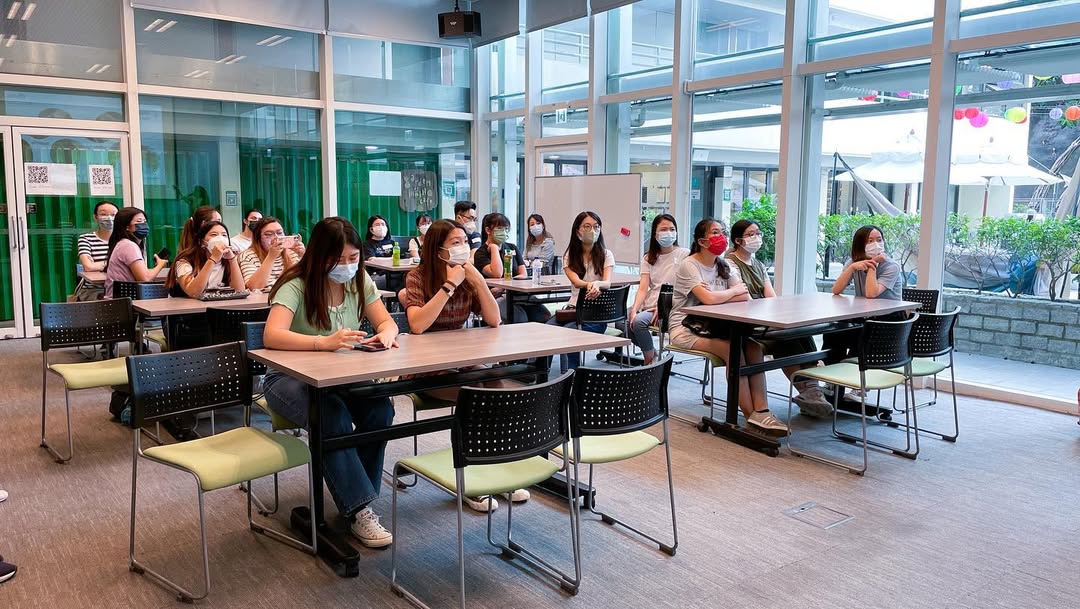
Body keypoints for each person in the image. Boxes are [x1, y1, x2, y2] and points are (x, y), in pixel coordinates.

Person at [262, 217, 399, 548]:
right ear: (319, 255)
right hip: (288, 379)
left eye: (353, 258)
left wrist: (385, 334)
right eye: (338, 260)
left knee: (380, 410)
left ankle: (358, 497)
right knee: (330, 414)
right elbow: (271, 335)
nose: (347, 266)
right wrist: (321, 342)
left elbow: (387, 322)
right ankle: (360, 508)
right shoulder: (296, 284)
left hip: (339, 376)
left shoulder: (358, 280)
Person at [403, 219, 528, 513]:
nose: (463, 248)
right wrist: (449, 285)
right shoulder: (417, 277)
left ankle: (497, 471)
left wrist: (479, 282)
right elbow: (418, 325)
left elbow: (494, 320)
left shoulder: (467, 275)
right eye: (455, 243)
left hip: (461, 359)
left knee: (495, 384)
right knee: (474, 398)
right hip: (425, 366)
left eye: (465, 242)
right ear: (438, 250)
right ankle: (471, 482)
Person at [667, 218, 787, 434]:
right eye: (715, 232)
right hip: (685, 329)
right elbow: (710, 299)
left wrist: (719, 296)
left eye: (722, 231)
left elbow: (745, 297)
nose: (721, 236)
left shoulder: (725, 264)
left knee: (754, 348)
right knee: (732, 350)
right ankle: (751, 416)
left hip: (718, 327)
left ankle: (762, 410)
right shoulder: (690, 265)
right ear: (702, 241)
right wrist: (730, 293)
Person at [725, 220, 832, 417]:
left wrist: (773, 311)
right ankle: (809, 390)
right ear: (738, 240)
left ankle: (812, 389)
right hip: (746, 323)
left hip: (764, 317)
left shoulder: (758, 264)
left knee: (800, 330)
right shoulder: (730, 263)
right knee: (784, 338)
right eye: (751, 234)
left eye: (758, 233)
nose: (757, 237)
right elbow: (744, 297)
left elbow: (771, 296)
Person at [824, 225, 905, 364]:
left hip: (888, 321)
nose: (876, 244)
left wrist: (873, 264)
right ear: (860, 245)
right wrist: (852, 268)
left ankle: (851, 370)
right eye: (870, 241)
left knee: (857, 341)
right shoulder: (853, 262)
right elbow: (836, 290)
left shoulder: (891, 266)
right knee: (833, 332)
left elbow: (871, 294)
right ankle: (834, 374)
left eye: (879, 240)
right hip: (865, 317)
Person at [546, 211, 615, 373]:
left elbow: (607, 283)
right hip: (573, 311)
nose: (592, 230)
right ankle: (539, 371)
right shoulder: (569, 255)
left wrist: (597, 284)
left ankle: (572, 373)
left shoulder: (606, 254)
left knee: (569, 330)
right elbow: (576, 282)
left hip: (596, 316)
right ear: (578, 232)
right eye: (587, 226)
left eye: (596, 227)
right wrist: (591, 285)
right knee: (547, 328)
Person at [624, 214, 689, 365]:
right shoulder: (648, 258)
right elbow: (643, 288)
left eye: (672, 229)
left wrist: (664, 306)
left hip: (672, 306)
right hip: (651, 304)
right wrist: (634, 309)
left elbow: (686, 287)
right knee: (624, 320)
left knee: (638, 322)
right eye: (664, 229)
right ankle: (652, 352)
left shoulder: (684, 254)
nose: (669, 233)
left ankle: (649, 360)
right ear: (655, 234)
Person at [473, 213, 549, 323]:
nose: (503, 232)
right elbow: (497, 273)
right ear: (488, 230)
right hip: (494, 298)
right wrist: (494, 248)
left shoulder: (512, 247)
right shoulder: (480, 253)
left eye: (505, 229)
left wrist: (504, 288)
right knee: (520, 318)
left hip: (516, 294)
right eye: (500, 228)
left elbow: (523, 274)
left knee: (543, 315)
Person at [166, 221, 246, 298]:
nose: (220, 238)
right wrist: (213, 259)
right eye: (214, 235)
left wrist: (232, 259)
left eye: (224, 235)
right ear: (202, 242)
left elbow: (239, 291)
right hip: (187, 306)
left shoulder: (228, 261)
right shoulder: (185, 261)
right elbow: (193, 292)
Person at [104, 208, 168, 299]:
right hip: (123, 302)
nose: (144, 225)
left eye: (145, 221)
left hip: (121, 299)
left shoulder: (124, 243)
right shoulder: (129, 245)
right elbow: (145, 278)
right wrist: (160, 265)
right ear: (126, 226)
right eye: (139, 221)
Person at [238, 216, 303, 291]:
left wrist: (303, 257)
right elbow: (254, 287)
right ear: (259, 239)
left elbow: (303, 281)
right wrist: (271, 257)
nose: (276, 237)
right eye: (268, 234)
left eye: (279, 233)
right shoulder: (248, 256)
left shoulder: (292, 253)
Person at [78, 201, 118, 272]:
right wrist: (119, 264)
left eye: (113, 215)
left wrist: (97, 265)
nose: (109, 218)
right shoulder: (86, 239)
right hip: (95, 279)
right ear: (95, 217)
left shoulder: (125, 240)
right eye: (103, 214)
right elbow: (88, 266)